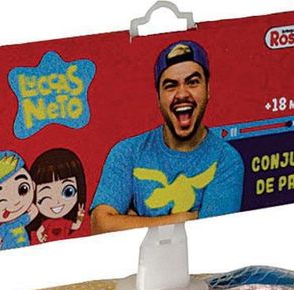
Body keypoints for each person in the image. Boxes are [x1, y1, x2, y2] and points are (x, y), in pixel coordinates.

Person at [91, 41, 244, 234]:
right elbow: (100, 227)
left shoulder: (227, 160)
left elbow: (208, 237)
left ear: (208, 90)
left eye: (192, 82)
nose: (182, 94)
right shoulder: (127, 153)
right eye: (171, 86)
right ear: (158, 98)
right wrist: (187, 218)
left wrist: (131, 222)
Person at [27, 148, 87, 244]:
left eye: (68, 192)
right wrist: (41, 238)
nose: (57, 201)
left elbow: (76, 226)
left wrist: (80, 216)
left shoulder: (65, 223)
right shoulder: (47, 223)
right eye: (46, 195)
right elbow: (39, 232)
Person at [0, 151, 37, 250]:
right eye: (1, 201)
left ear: (32, 185)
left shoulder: (20, 220)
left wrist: (29, 204)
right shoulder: (4, 227)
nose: (15, 202)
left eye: (23, 189)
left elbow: (34, 212)